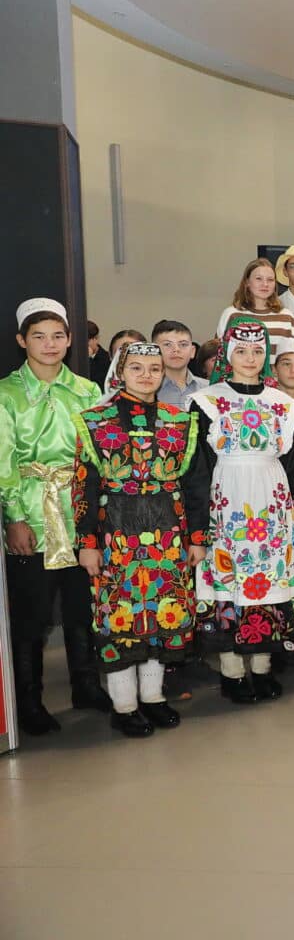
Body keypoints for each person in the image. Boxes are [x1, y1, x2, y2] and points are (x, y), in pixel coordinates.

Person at [183, 319, 294, 704]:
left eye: (258, 351)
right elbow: (197, 465)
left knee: (269, 580)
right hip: (227, 500)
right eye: (241, 351)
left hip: (272, 501)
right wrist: (200, 523)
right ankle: (231, 672)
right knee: (230, 582)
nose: (250, 358)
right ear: (227, 354)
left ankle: (262, 666)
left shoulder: (283, 403)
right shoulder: (206, 401)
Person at [73, 341, 197, 736]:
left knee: (163, 613)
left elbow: (193, 485)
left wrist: (197, 537)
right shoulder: (96, 420)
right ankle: (124, 706)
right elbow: (83, 486)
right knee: (119, 617)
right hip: (115, 533)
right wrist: (87, 544)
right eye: (137, 368)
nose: (146, 375)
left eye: (154, 369)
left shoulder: (180, 421)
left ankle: (154, 697)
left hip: (167, 533)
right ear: (120, 372)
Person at [2, 299, 109, 734]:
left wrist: (98, 515)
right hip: (33, 509)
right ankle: (28, 699)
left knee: (83, 604)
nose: (50, 344)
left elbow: (99, 457)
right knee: (32, 611)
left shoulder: (87, 391)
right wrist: (14, 517)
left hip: (79, 509)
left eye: (58, 336)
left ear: (70, 340)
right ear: (21, 341)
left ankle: (87, 683)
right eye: (39, 336)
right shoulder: (7, 394)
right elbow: (4, 461)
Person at [216, 258, 294, 340]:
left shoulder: (287, 317)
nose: (265, 284)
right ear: (247, 282)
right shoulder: (231, 314)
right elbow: (219, 347)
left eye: (270, 280)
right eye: (259, 279)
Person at [151, 319, 208, 410]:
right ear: (154, 350)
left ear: (192, 351)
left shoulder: (209, 389)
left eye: (183, 344)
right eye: (167, 344)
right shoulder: (146, 390)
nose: (176, 349)